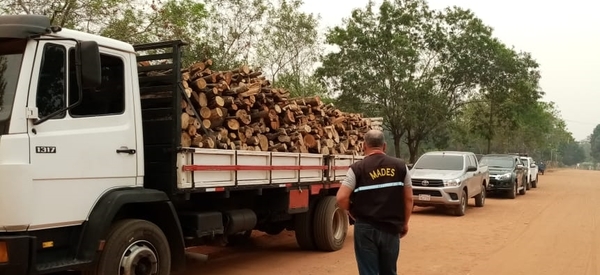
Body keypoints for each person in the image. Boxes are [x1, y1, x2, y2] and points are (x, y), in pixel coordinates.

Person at [336, 130, 414, 275]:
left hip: (365, 228)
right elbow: (409, 198)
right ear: (384, 146)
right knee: (389, 271)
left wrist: (352, 211)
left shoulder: (356, 169)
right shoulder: (401, 167)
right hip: (391, 228)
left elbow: (341, 197)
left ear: (363, 146)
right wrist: (404, 223)